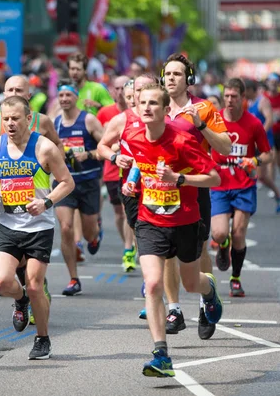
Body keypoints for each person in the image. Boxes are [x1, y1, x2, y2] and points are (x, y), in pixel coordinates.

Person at [121, 83, 223, 377]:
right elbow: (141, 162)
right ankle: (161, 354)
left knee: (191, 283)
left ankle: (210, 289)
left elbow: (214, 178)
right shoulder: (132, 134)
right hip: (150, 221)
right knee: (152, 284)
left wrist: (180, 179)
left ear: (166, 110)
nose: (147, 108)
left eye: (154, 103)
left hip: (186, 221)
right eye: (143, 103)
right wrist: (132, 182)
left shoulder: (181, 140)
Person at [0, 96, 74, 360]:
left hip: (38, 227)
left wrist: (45, 202)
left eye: (15, 118)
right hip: (7, 225)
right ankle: (20, 300)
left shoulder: (44, 148)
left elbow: (67, 182)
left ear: (28, 118)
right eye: (6, 118)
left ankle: (42, 339)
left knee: (35, 287)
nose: (10, 123)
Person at [161, 53, 231, 339]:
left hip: (195, 187)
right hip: (163, 189)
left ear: (188, 79)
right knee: (166, 251)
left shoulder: (203, 108)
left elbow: (225, 147)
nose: (171, 79)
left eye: (177, 74)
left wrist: (201, 125)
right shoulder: (156, 108)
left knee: (200, 250)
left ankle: (206, 301)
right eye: (167, 74)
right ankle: (174, 310)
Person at [211, 78, 274, 297]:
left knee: (239, 234)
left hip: (244, 184)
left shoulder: (253, 123)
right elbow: (199, 148)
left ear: (242, 99)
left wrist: (254, 161)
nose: (229, 100)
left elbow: (268, 154)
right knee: (219, 233)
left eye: (234, 97)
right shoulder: (213, 120)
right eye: (226, 96)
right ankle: (222, 245)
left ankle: (235, 278)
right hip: (218, 183)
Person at [53, 80, 105, 296]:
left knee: (88, 230)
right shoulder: (55, 124)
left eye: (68, 95)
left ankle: (94, 234)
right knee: (66, 228)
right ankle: (73, 278)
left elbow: (105, 148)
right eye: (61, 95)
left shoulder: (89, 120)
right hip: (65, 183)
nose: (64, 99)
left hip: (88, 181)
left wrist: (89, 155)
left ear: (76, 97)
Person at [97, 76, 136, 272]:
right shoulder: (110, 116)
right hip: (115, 172)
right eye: (122, 91)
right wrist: (114, 151)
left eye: (130, 94)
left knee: (133, 217)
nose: (128, 98)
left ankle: (130, 249)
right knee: (121, 214)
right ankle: (128, 245)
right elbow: (100, 144)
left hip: (142, 178)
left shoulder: (148, 117)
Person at [245, 79, 280, 213]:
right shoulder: (249, 102)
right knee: (248, 172)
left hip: (263, 143)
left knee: (261, 176)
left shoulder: (263, 102)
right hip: (251, 143)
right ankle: (244, 202)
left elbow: (269, 119)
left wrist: (259, 136)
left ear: (251, 90)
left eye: (244, 91)